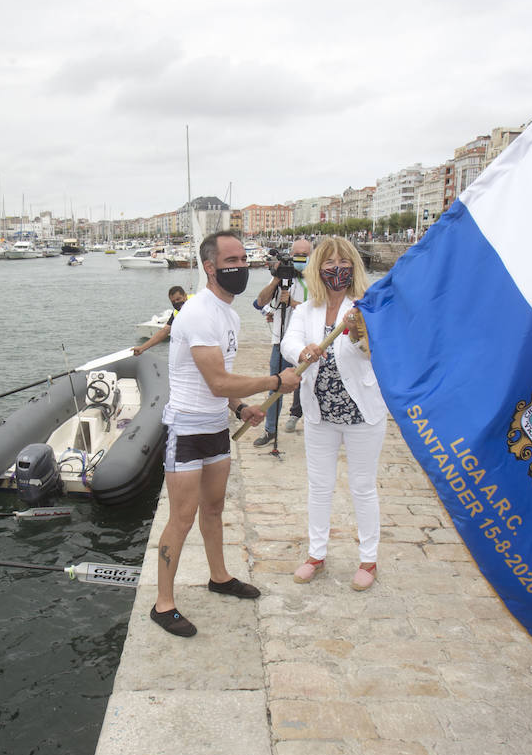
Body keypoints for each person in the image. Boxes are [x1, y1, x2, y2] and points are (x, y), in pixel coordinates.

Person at [150, 231, 299, 636]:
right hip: (187, 428)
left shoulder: (229, 315)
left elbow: (223, 388)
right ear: (210, 267)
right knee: (181, 518)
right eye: (231, 259)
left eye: (244, 257)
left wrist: (240, 408)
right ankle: (163, 604)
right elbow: (216, 381)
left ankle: (219, 577)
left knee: (214, 510)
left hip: (217, 427)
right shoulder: (198, 313)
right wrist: (273, 382)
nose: (241, 265)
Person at [281, 236, 389, 591]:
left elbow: (376, 352)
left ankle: (368, 560)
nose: (336, 268)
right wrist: (303, 351)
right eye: (329, 262)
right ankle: (316, 554)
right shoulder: (305, 310)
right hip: (319, 412)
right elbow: (288, 342)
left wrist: (360, 335)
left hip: (362, 412)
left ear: (354, 265)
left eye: (343, 261)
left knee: (362, 486)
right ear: (317, 268)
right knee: (320, 486)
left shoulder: (367, 306)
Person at [251, 238, 312, 445]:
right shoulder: (283, 276)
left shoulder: (316, 279)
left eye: (306, 254)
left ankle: (311, 423)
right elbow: (259, 302)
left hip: (310, 343)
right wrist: (277, 279)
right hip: (282, 341)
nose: (301, 258)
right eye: (298, 254)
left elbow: (319, 309)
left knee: (313, 385)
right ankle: (270, 430)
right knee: (276, 385)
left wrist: (292, 303)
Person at [131, 286, 188, 355]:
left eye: (178, 299)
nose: (176, 303)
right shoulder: (176, 313)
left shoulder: (197, 303)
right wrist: (142, 348)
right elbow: (164, 331)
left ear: (185, 296)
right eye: (173, 302)